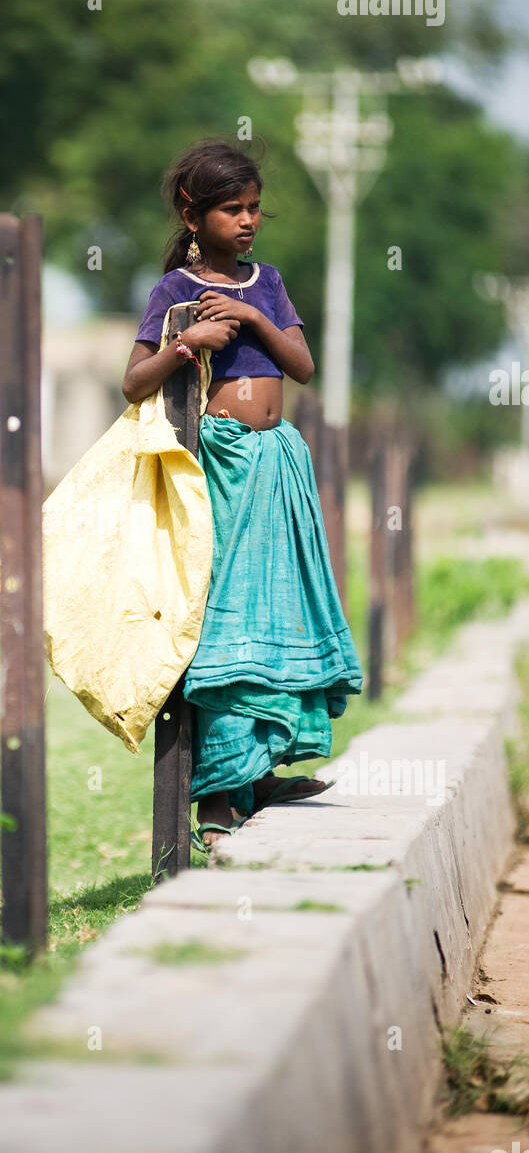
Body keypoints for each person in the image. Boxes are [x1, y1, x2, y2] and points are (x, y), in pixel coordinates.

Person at [122, 137, 364, 850]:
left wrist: (256, 318)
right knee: (227, 622)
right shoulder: (173, 291)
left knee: (276, 610)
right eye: (232, 209)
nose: (248, 220)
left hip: (275, 464)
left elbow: (303, 367)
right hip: (220, 467)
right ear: (191, 214)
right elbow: (133, 383)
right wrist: (185, 340)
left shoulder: (268, 282)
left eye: (254, 208)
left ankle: (261, 772)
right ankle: (221, 793)